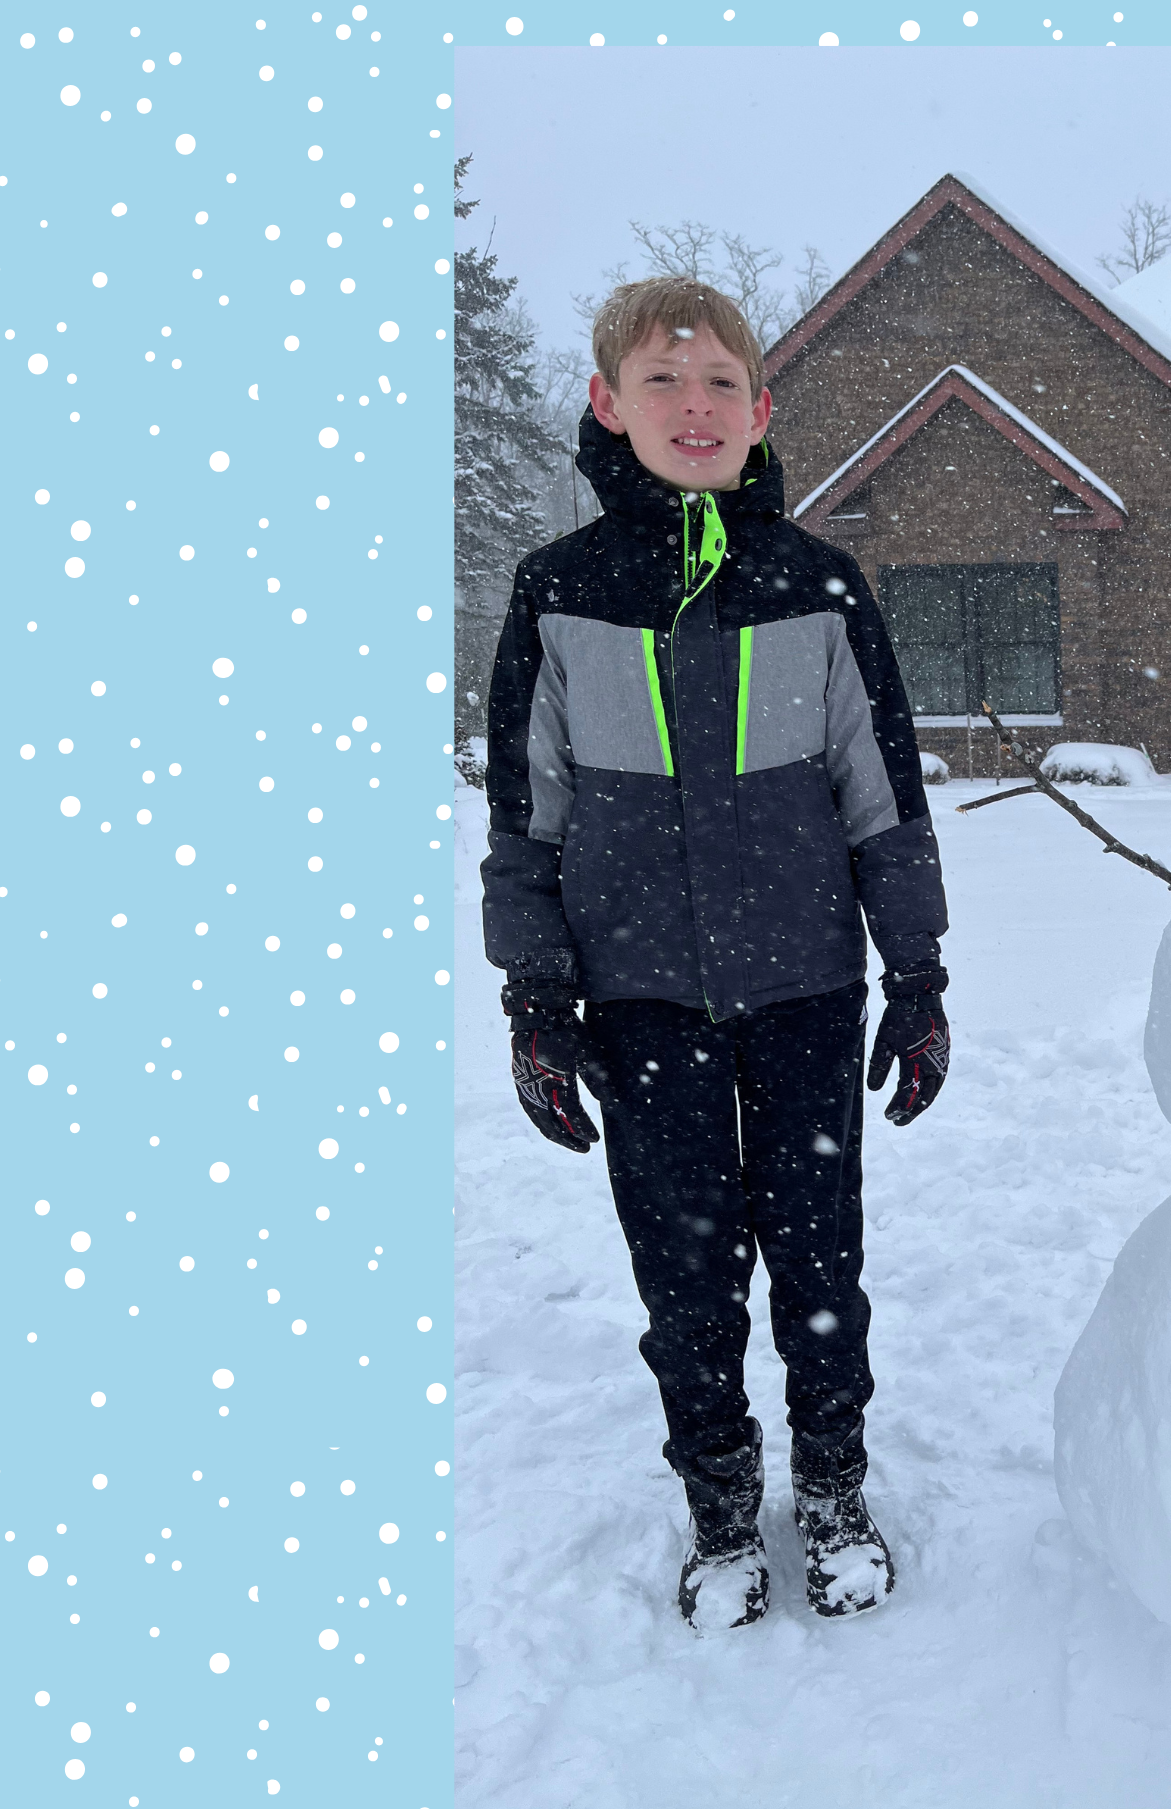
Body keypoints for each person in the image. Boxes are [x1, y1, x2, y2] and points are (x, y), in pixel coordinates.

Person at [479, 277, 952, 1633]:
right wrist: (537, 996)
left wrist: (914, 975)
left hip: (805, 984)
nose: (694, 409)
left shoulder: (819, 584)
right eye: (662, 383)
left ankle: (837, 1489)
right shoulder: (561, 595)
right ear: (605, 405)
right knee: (682, 1268)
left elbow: (885, 796)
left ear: (760, 410)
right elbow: (530, 811)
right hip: (641, 1000)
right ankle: (721, 1503)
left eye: (720, 386)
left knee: (817, 1258)